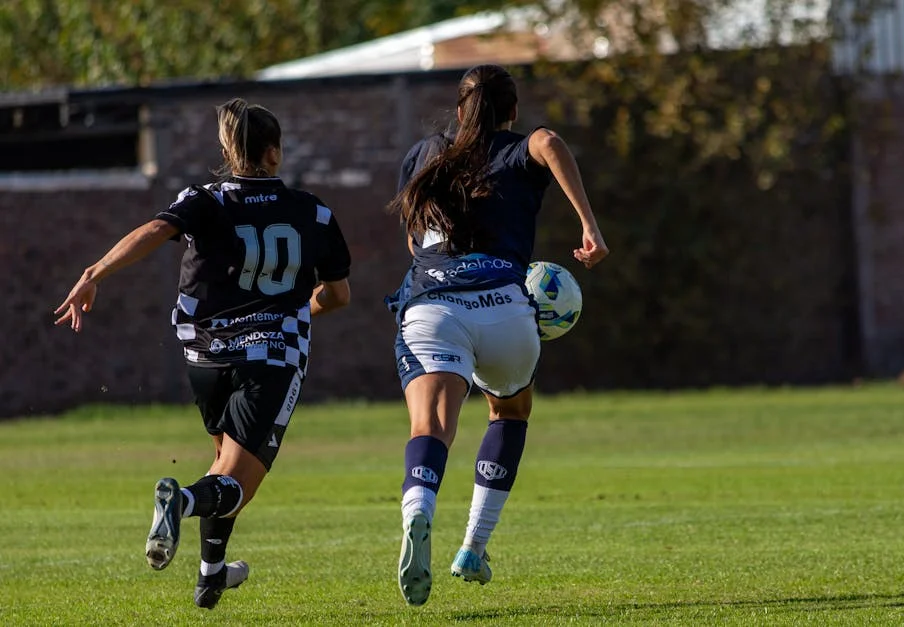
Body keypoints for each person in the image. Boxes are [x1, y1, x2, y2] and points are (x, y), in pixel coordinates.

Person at [54, 98, 352, 610]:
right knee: (237, 484)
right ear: (274, 153)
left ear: (228, 152)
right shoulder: (312, 212)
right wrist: (294, 315)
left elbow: (153, 231)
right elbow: (337, 295)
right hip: (270, 355)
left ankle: (211, 574)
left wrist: (92, 275)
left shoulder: (205, 199)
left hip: (204, 355)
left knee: (223, 462)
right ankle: (181, 500)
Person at [386, 64, 609, 606]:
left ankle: (419, 510)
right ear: (510, 111)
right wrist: (589, 225)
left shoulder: (424, 153)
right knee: (509, 412)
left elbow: (415, 246)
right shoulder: (518, 148)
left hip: (434, 305)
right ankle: (473, 547)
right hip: (505, 308)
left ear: (461, 109)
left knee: (433, 426)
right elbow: (550, 141)